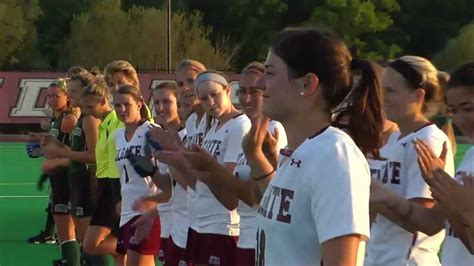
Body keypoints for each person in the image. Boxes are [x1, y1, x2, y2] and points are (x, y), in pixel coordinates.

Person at [243, 27, 384, 266]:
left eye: (270, 72)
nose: (260, 84)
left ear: (307, 84)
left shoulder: (335, 156)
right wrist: (255, 156)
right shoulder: (303, 151)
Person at [367, 56, 455, 266]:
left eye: (391, 91)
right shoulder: (395, 139)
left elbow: (424, 221)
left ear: (418, 95)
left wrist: (377, 197)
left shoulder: (428, 141)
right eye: (382, 90)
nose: (382, 98)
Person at [410, 62, 474, 264]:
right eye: (453, 110)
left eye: (468, 108)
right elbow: (468, 245)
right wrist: (442, 192)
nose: (460, 119)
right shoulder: (470, 156)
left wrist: (467, 210)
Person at [113, 84, 162, 266]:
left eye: (127, 104)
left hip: (146, 209)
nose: (122, 109)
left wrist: (155, 203)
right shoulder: (118, 135)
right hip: (127, 208)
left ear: (139, 104)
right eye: (117, 106)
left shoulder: (151, 131)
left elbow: (165, 172)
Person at [81, 80, 125, 266]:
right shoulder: (104, 125)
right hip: (105, 186)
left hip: (117, 187)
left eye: (90, 106)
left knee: (91, 244)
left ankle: (133, 247)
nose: (87, 111)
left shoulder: (117, 123)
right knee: (117, 252)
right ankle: (128, 248)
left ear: (103, 101)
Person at [41, 78, 80, 265]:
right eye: (48, 96)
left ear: (67, 97)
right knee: (63, 225)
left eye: (56, 96)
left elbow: (76, 153)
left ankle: (75, 260)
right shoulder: (56, 119)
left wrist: (56, 159)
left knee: (70, 226)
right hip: (58, 178)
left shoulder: (68, 120)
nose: (51, 99)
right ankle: (68, 260)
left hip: (68, 178)